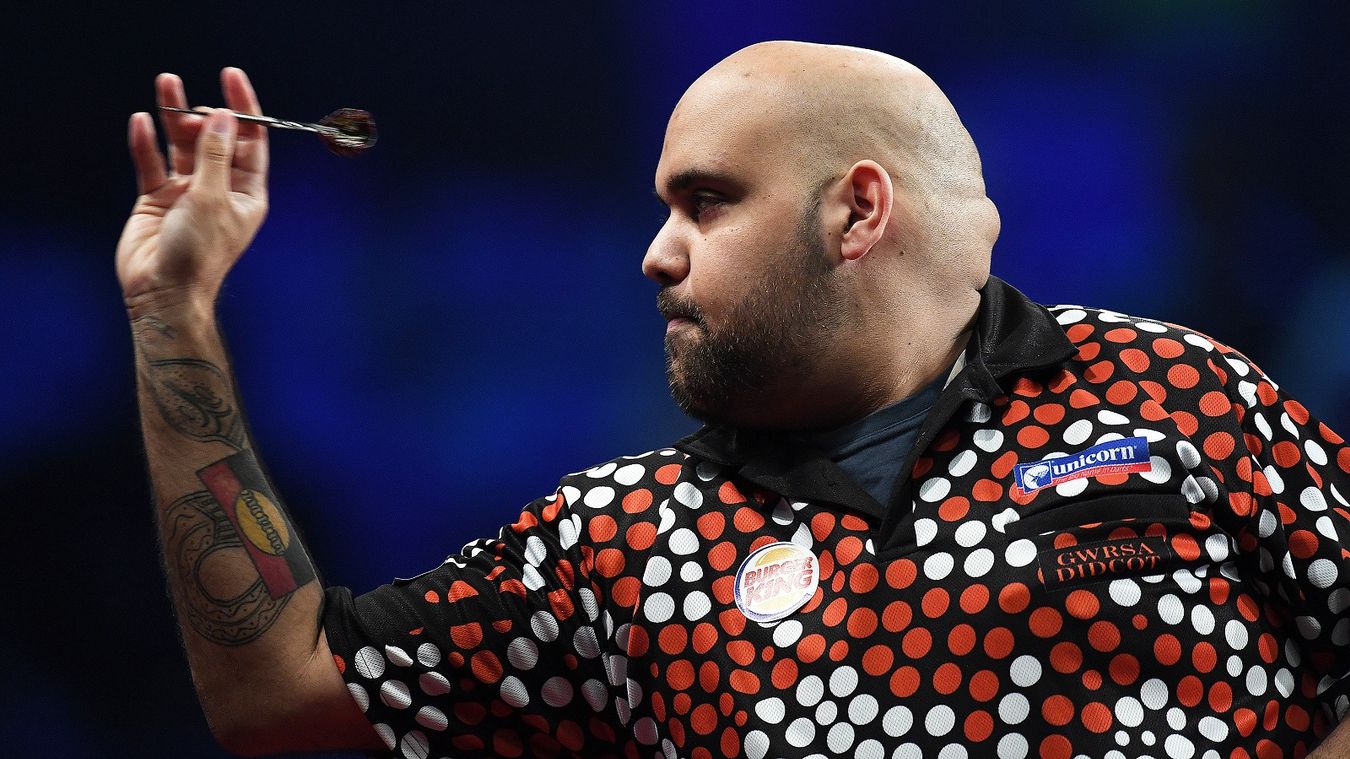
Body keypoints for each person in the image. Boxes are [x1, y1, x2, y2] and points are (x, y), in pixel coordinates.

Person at [118, 42, 1350, 758]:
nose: (655, 254)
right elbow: (281, 694)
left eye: (705, 202)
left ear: (856, 211)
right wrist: (173, 315)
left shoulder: (1171, 391)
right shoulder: (618, 539)